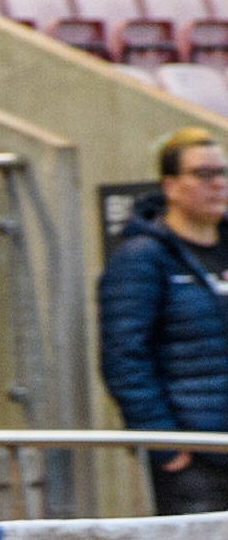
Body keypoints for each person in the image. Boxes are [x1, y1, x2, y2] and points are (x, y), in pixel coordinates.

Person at [99, 126, 228, 515]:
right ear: (170, 186)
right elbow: (123, 358)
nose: (218, 184)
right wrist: (166, 445)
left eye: (222, 173)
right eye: (203, 174)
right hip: (196, 460)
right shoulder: (142, 258)